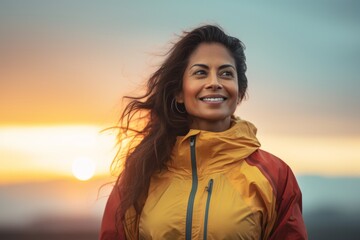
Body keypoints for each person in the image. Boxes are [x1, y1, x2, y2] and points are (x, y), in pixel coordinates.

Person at [100, 25, 308, 240]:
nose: (214, 83)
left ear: (239, 92)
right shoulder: (142, 171)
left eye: (226, 73)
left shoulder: (275, 176)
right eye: (200, 73)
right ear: (179, 92)